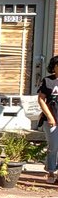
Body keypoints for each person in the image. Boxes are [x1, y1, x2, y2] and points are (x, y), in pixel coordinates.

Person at [37, 55, 58, 183]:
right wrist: (49, 116)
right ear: (54, 67)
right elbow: (41, 99)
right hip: (51, 119)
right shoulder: (48, 81)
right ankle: (51, 171)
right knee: (53, 146)